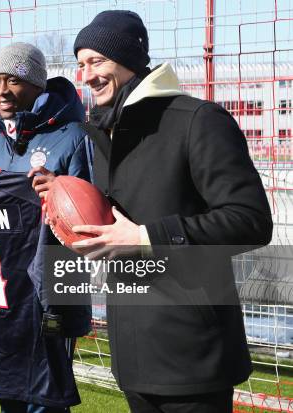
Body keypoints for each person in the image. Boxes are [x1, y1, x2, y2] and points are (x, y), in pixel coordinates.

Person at [69, 10, 273, 412]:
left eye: (96, 61)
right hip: (132, 356)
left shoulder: (198, 120)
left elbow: (250, 220)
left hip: (194, 356)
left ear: (127, 58)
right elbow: (120, 226)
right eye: (80, 65)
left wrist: (147, 237)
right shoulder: (102, 131)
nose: (86, 76)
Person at [0, 42, 92, 413]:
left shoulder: (75, 136)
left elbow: (89, 224)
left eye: (13, 80)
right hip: (2, 291)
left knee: (45, 400)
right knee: (9, 395)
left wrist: (61, 191)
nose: (1, 91)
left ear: (38, 84)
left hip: (48, 296)